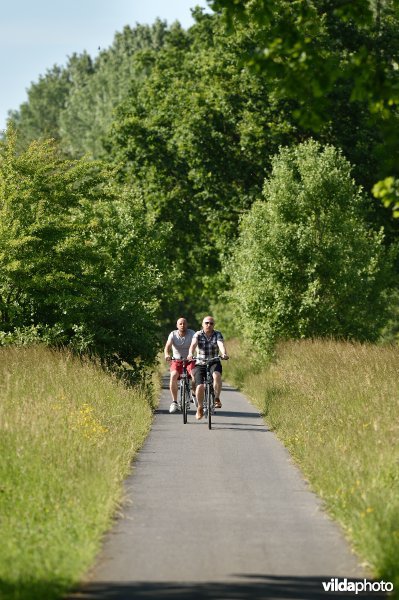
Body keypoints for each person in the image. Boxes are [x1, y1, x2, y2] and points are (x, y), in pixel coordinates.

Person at [187, 316, 229, 420]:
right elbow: (193, 345)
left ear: (213, 325)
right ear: (202, 324)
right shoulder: (198, 334)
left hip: (213, 361)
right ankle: (200, 407)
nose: (208, 325)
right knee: (200, 386)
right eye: (206, 323)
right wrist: (190, 354)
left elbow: (220, 344)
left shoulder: (217, 334)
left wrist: (224, 353)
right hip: (200, 363)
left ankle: (216, 398)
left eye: (211, 323)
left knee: (216, 375)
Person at [164, 317, 196, 413]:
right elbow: (167, 346)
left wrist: (197, 354)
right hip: (177, 361)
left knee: (195, 374)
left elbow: (196, 344)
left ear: (187, 325)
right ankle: (174, 402)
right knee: (173, 376)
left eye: (184, 323)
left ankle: (194, 395)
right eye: (180, 324)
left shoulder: (192, 333)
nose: (182, 325)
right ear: (177, 325)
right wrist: (167, 354)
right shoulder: (173, 334)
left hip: (190, 360)